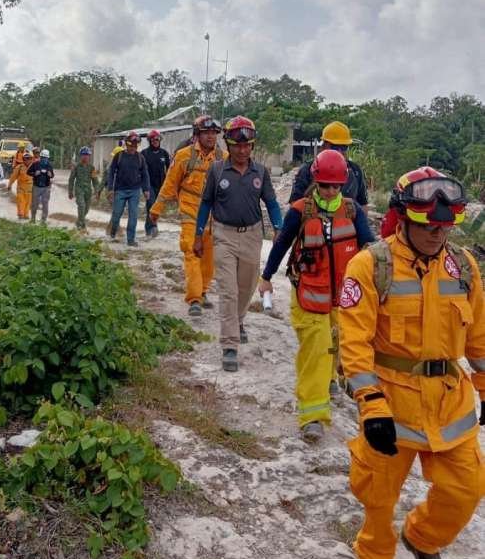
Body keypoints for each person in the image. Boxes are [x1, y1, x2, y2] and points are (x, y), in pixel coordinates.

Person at [338, 167, 485, 559]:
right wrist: (370, 403)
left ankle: (422, 538)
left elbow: (478, 337)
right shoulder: (370, 266)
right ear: (403, 217)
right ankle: (376, 556)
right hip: (392, 403)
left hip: (449, 401)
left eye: (445, 226)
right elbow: (355, 342)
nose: (437, 234)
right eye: (428, 225)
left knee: (468, 486)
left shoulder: (465, 267)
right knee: (378, 494)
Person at [258, 149, 374, 441]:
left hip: (344, 298)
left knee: (340, 346)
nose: (331, 190)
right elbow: (282, 244)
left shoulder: (352, 211)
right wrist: (266, 277)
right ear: (316, 182)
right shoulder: (300, 210)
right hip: (309, 296)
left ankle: (333, 379)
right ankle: (312, 416)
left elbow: (371, 250)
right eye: (325, 185)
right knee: (317, 351)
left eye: (336, 186)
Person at [194, 116, 283, 371]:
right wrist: (199, 234)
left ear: (252, 146)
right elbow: (206, 204)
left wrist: (278, 228)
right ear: (228, 144)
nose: (242, 151)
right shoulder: (217, 171)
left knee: (246, 287)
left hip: (253, 235)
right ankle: (230, 345)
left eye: (247, 146)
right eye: (237, 146)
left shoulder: (261, 172)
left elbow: (272, 203)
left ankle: (239, 320)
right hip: (223, 235)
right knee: (228, 291)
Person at [150, 116, 225, 316]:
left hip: (214, 217)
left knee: (209, 258)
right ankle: (194, 299)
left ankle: (203, 290)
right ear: (197, 134)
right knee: (192, 253)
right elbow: (169, 184)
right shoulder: (184, 156)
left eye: (213, 133)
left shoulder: (223, 158)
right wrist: (157, 209)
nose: (210, 137)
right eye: (206, 133)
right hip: (190, 213)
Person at [289, 121, 369, 214]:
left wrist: (361, 224)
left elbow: (363, 204)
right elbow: (294, 205)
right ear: (323, 146)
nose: (339, 151)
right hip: (314, 224)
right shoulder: (307, 170)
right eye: (335, 147)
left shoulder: (355, 171)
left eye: (343, 147)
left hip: (345, 225)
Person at [106, 132, 150, 246]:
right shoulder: (119, 156)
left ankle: (131, 240)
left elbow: (145, 174)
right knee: (116, 214)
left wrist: (146, 189)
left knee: (133, 215)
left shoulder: (140, 158)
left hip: (135, 190)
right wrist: (110, 188)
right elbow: (111, 172)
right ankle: (113, 232)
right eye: (131, 145)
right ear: (127, 144)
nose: (133, 148)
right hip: (120, 190)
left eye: (135, 146)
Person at [142, 130, 170, 238]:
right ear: (149, 141)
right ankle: (152, 227)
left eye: (157, 139)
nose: (155, 141)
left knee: (157, 206)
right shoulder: (144, 154)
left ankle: (150, 225)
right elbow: (140, 169)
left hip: (161, 184)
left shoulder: (164, 153)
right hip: (148, 184)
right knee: (151, 204)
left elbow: (170, 169)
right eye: (153, 140)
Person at [68, 146, 99, 231]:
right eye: (83, 154)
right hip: (79, 189)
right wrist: (70, 191)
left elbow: (95, 181)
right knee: (81, 206)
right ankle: (82, 225)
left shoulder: (92, 168)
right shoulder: (76, 166)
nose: (85, 156)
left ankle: (79, 222)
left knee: (87, 208)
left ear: (89, 156)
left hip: (88, 190)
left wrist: (97, 191)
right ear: (80, 156)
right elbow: (71, 180)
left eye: (87, 155)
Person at [28, 148, 54, 222]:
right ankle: (33, 218)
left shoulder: (49, 165)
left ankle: (43, 220)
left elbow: (52, 175)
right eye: (43, 158)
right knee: (34, 204)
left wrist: (50, 174)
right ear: (40, 157)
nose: (44, 159)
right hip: (36, 186)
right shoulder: (35, 164)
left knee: (45, 204)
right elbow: (28, 172)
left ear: (48, 158)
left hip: (46, 187)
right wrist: (34, 174)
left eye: (45, 158)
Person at [7, 149, 34, 220]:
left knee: (28, 202)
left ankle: (26, 215)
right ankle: (20, 214)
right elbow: (13, 177)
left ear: (31, 159)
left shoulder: (34, 167)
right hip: (21, 187)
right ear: (23, 159)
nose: (27, 160)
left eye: (29, 158)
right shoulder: (19, 167)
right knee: (20, 201)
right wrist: (10, 185)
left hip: (30, 188)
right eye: (26, 159)